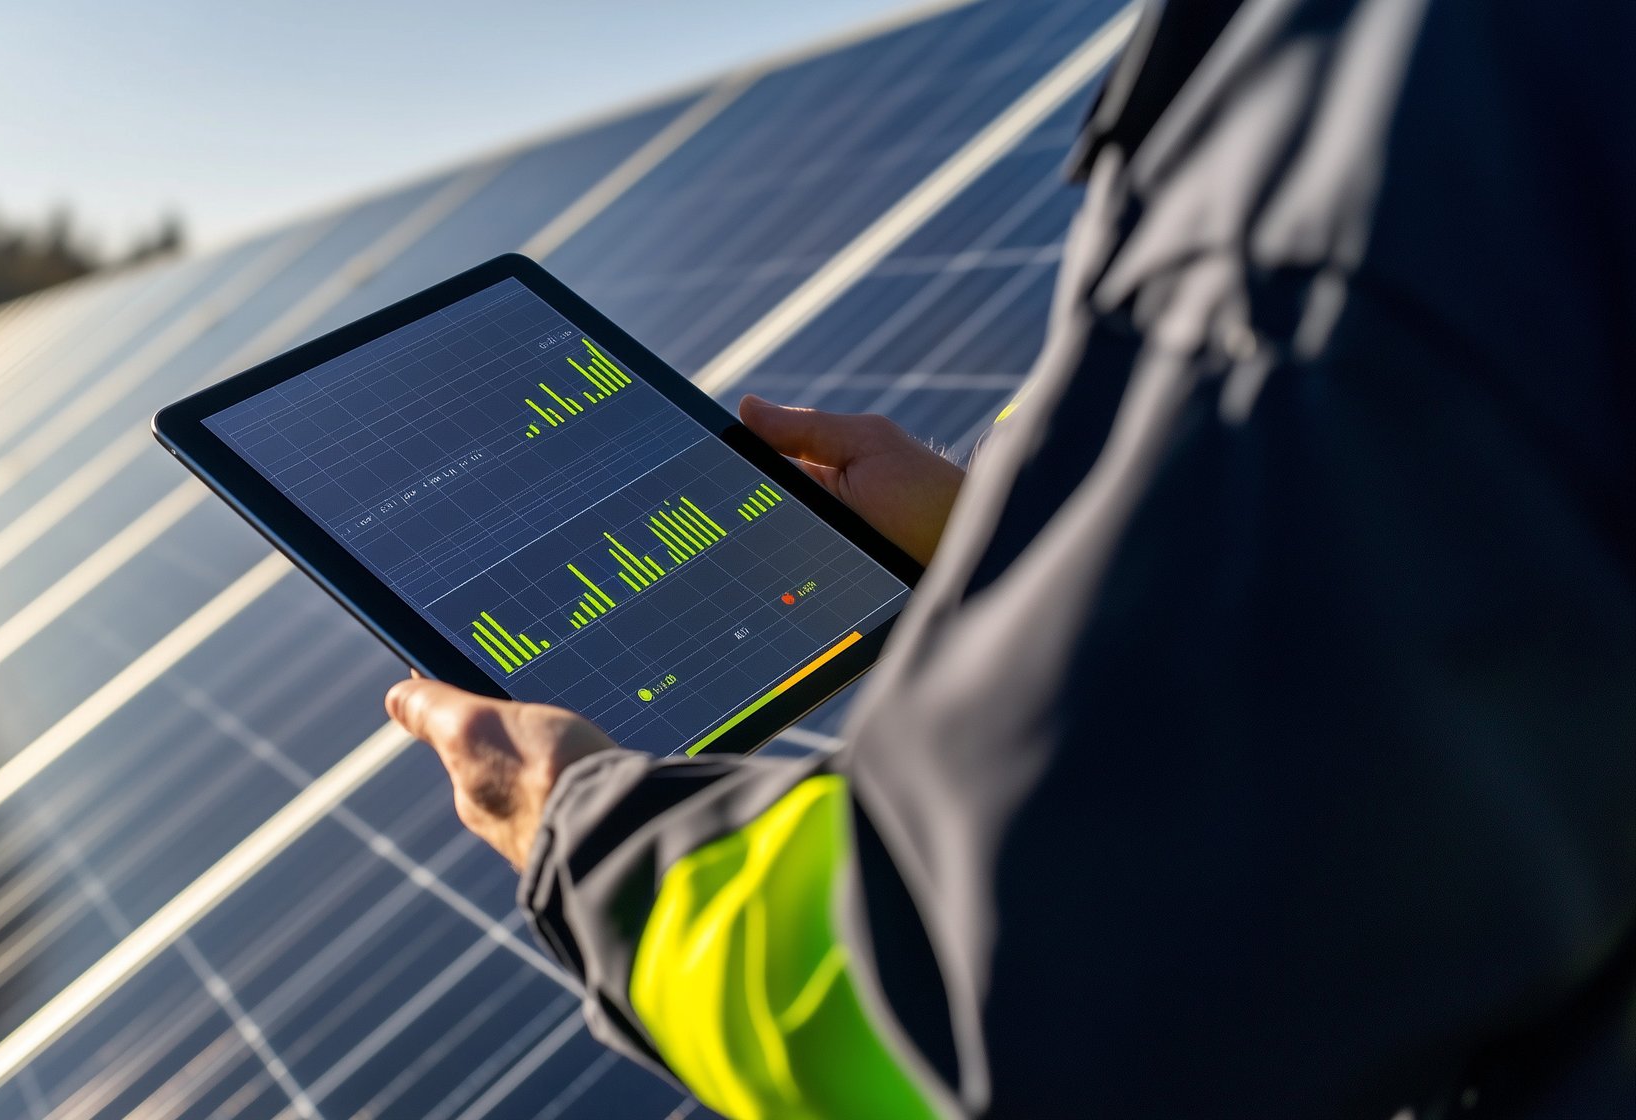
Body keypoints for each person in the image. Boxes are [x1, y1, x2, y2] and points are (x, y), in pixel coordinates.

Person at [385, 0, 1636, 1115]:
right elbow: (1421, 622)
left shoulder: (1361, 136)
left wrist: (578, 831)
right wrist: (1022, 536)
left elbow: (1010, 998)